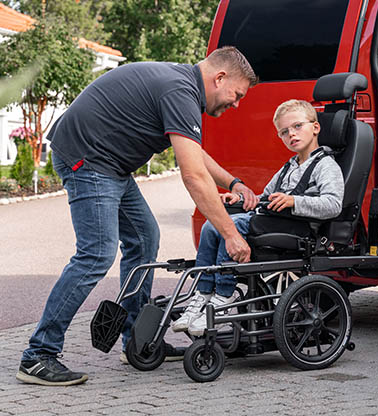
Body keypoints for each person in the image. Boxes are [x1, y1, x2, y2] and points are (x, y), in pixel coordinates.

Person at [16, 46, 259, 386]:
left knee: (144, 239)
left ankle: (137, 342)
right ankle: (38, 355)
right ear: (219, 78)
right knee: (95, 255)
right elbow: (192, 176)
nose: (235, 104)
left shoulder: (180, 84)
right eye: (236, 95)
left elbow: (195, 153)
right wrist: (231, 234)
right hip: (90, 160)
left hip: (110, 165)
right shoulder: (180, 90)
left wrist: (232, 181)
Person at [172, 99, 344, 336]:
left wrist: (294, 201)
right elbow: (265, 197)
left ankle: (223, 297)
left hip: (299, 228)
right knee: (213, 225)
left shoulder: (326, 166)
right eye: (284, 132)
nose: (291, 134)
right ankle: (202, 296)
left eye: (297, 126)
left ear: (315, 127)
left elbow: (333, 205)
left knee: (231, 225)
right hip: (274, 221)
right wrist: (241, 201)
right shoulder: (289, 166)